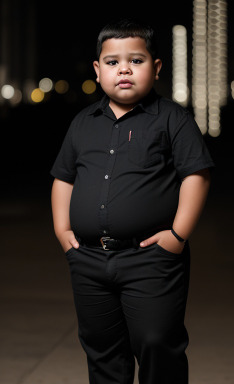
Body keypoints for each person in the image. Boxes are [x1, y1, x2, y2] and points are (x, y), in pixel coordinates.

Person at [50, 18, 214, 384]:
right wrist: (63, 232)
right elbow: (64, 178)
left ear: (156, 69)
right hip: (89, 259)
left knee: (157, 343)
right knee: (102, 348)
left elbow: (196, 175)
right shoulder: (83, 122)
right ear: (98, 70)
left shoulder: (173, 119)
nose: (124, 69)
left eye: (136, 61)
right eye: (112, 62)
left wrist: (177, 235)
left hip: (151, 259)